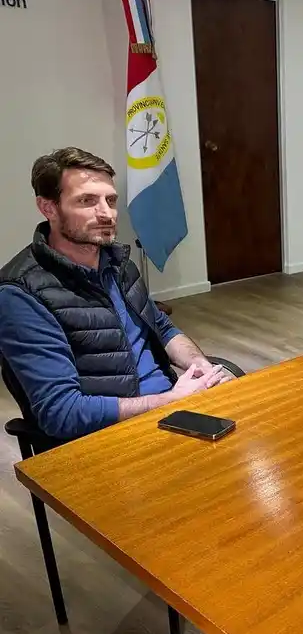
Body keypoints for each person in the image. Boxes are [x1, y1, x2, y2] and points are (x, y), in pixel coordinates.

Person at [0, 147, 232, 442]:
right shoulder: (21, 293)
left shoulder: (117, 263)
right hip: (111, 435)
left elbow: (161, 327)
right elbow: (62, 413)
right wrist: (170, 401)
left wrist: (201, 367)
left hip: (172, 408)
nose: (106, 213)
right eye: (87, 201)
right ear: (48, 208)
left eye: (110, 200)